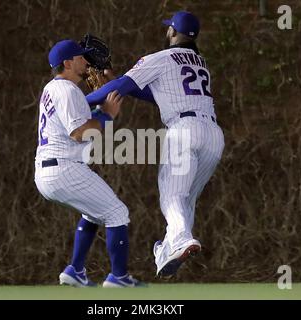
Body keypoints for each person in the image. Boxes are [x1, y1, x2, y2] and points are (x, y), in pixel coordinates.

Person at [86, 11, 225, 277]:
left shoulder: (161, 58)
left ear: (173, 32)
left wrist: (84, 100)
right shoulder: (200, 63)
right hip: (213, 134)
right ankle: (167, 251)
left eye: (168, 29)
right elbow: (160, 95)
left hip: (184, 130)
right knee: (185, 200)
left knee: (172, 195)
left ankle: (182, 239)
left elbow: (121, 87)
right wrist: (115, 78)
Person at [34, 39, 143, 287]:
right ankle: (119, 277)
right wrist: (106, 115)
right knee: (117, 213)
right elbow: (80, 133)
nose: (86, 61)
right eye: (81, 58)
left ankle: (76, 270)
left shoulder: (54, 89)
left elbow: (85, 120)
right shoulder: (67, 90)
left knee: (94, 213)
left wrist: (105, 105)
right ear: (68, 62)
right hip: (64, 168)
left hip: (48, 169)